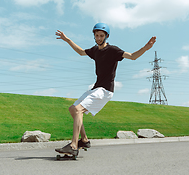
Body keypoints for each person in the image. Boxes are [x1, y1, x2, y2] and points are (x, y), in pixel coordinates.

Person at [55, 23, 156, 156]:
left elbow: (132, 56)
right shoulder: (95, 50)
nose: (99, 38)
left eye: (101, 36)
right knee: (73, 109)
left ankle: (73, 146)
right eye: (96, 35)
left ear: (106, 36)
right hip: (96, 88)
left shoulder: (113, 50)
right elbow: (80, 52)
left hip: (105, 90)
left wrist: (146, 48)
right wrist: (67, 40)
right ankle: (84, 140)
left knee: (78, 109)